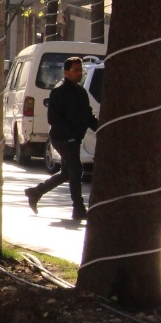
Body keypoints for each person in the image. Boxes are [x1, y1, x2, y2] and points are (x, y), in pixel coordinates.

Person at [25, 55, 98, 220]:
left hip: (74, 139)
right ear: (66, 72)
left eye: (80, 70)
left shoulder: (81, 92)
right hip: (63, 139)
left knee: (67, 173)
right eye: (75, 70)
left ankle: (35, 192)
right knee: (76, 171)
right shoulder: (59, 91)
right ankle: (78, 209)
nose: (79, 73)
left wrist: (101, 127)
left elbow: (88, 116)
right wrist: (69, 136)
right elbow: (54, 119)